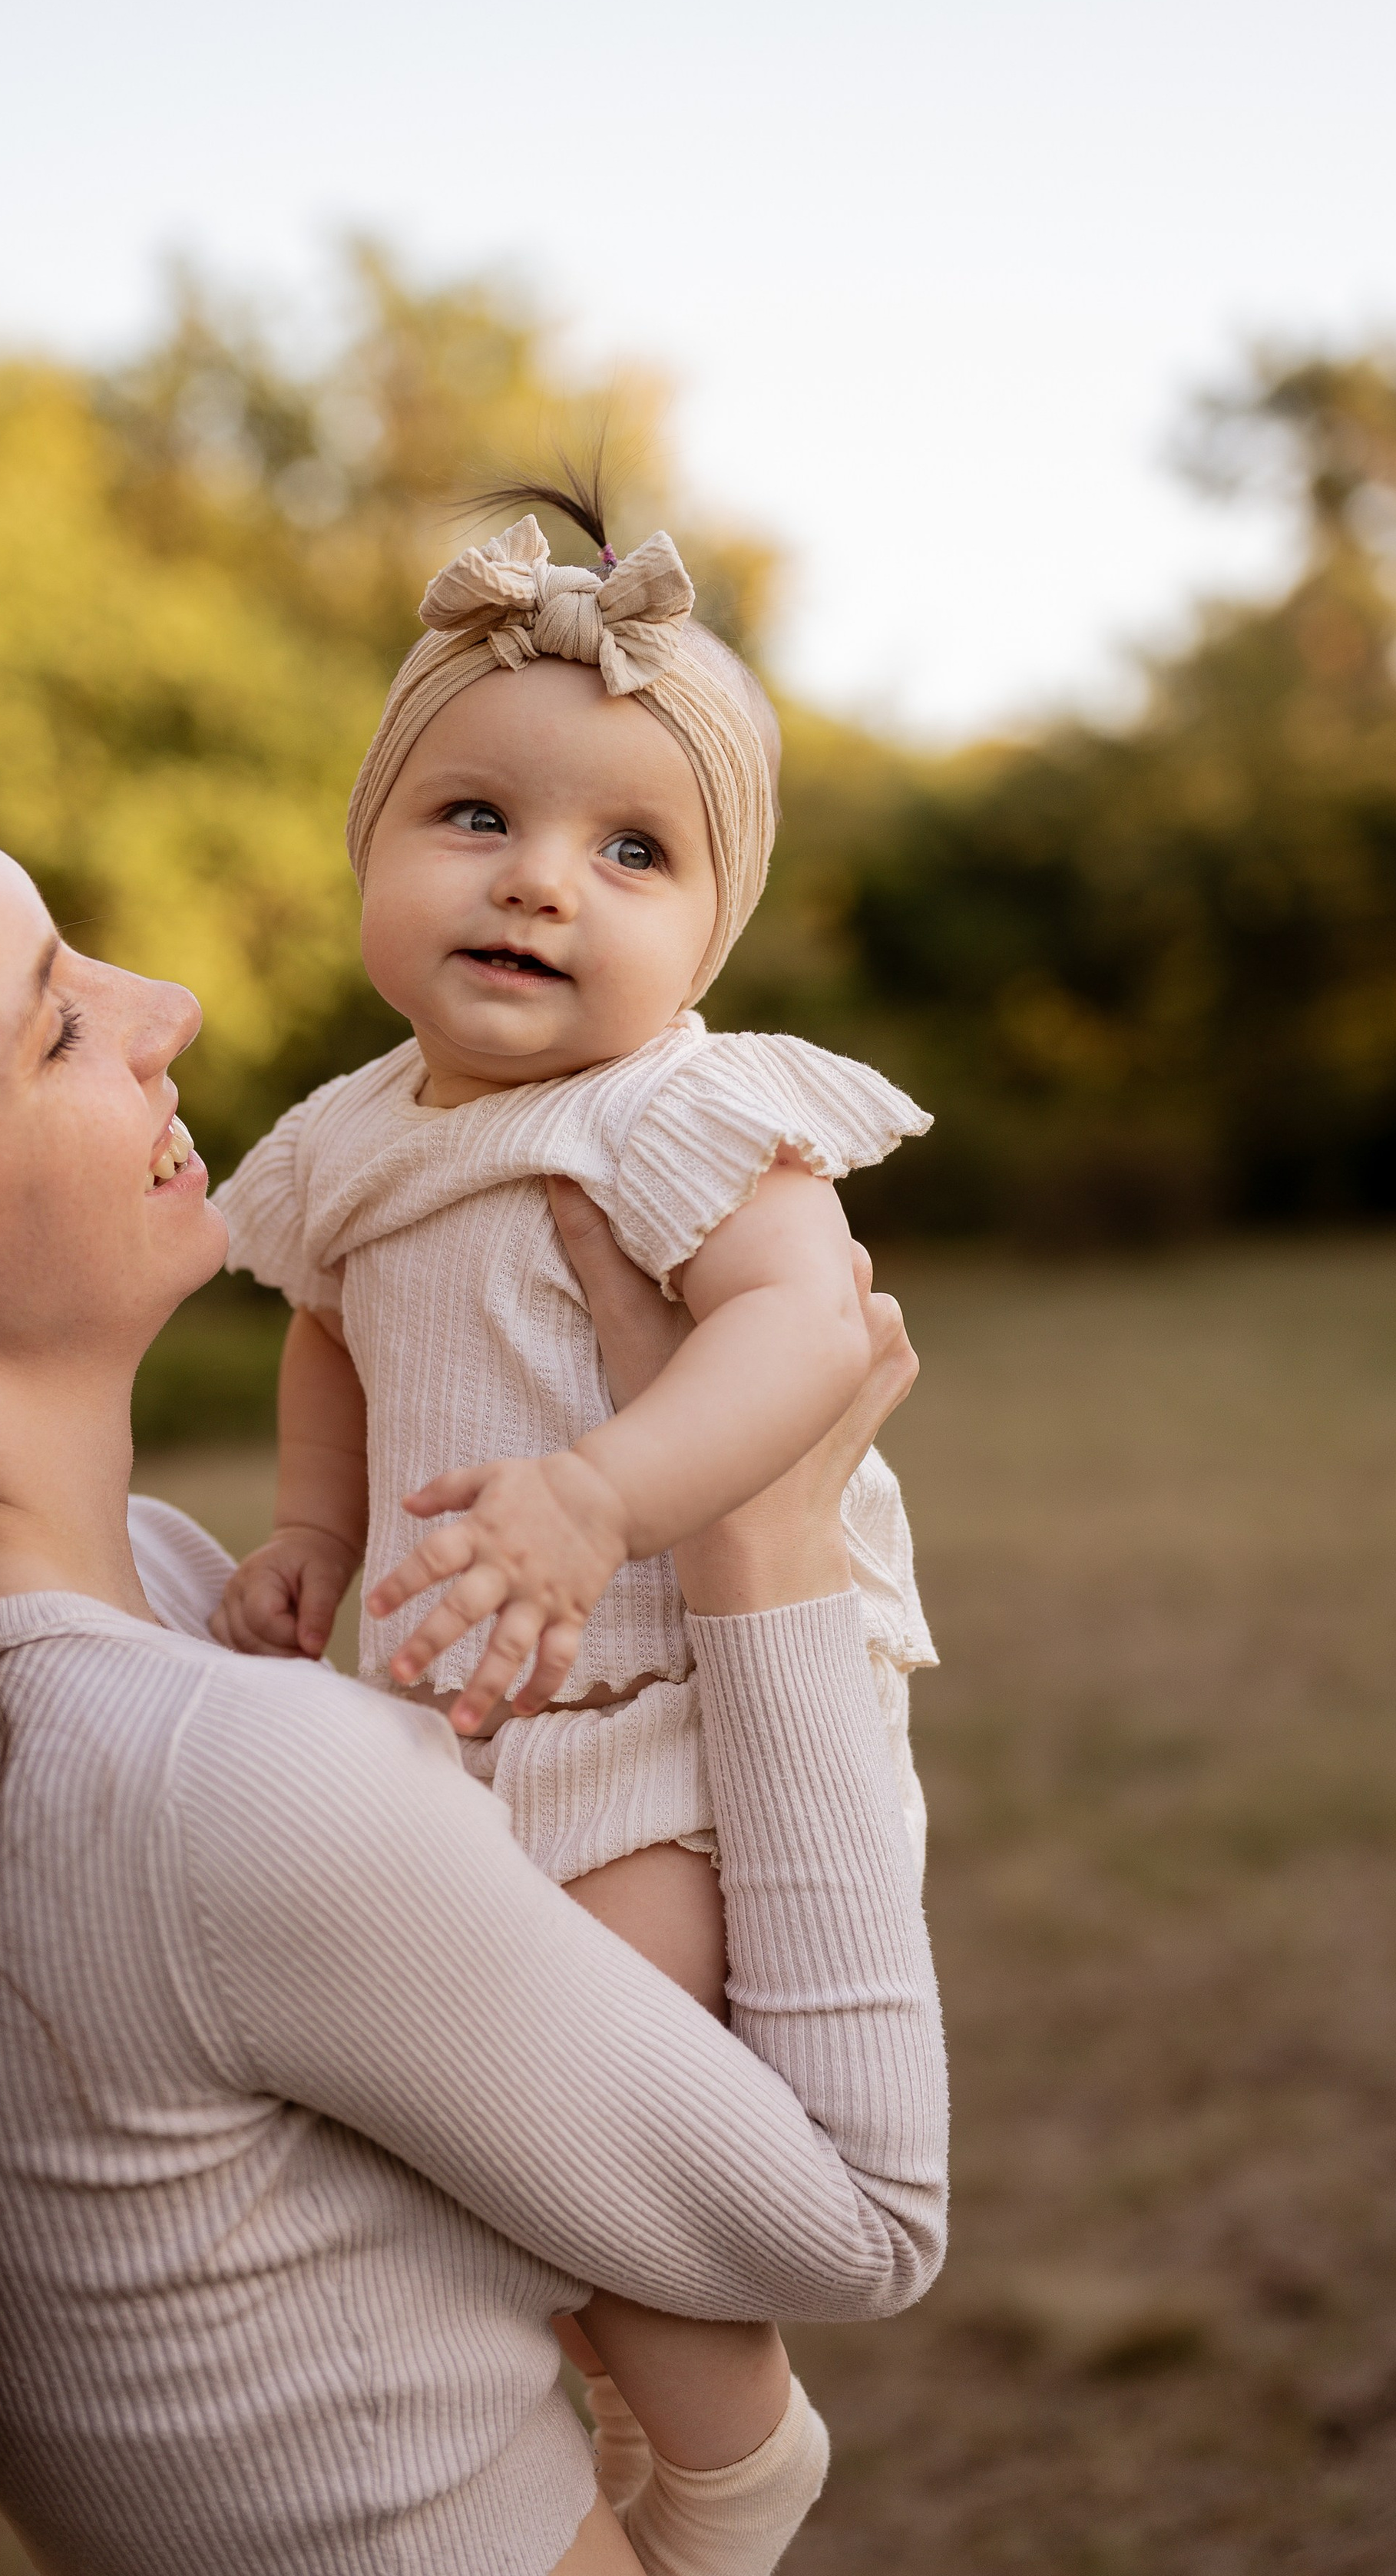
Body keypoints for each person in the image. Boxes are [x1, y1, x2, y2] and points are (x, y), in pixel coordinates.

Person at [0, 758, 944, 2576]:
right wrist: (760, 1535)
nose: (164, 1005)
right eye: (53, 1019)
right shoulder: (199, 1780)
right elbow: (862, 2220)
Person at [212, 487, 938, 2566]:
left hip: (676, 1714)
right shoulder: (347, 1139)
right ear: (370, 850)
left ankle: (733, 2465)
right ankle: (630, 2411)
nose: (542, 884)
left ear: (710, 934)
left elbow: (807, 1334)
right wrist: (310, 1537)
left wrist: (602, 1491)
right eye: (473, 820)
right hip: (469, 1704)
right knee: (495, 2122)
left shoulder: (680, 1111)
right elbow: (333, 1340)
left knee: (580, 2110)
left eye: (632, 852)